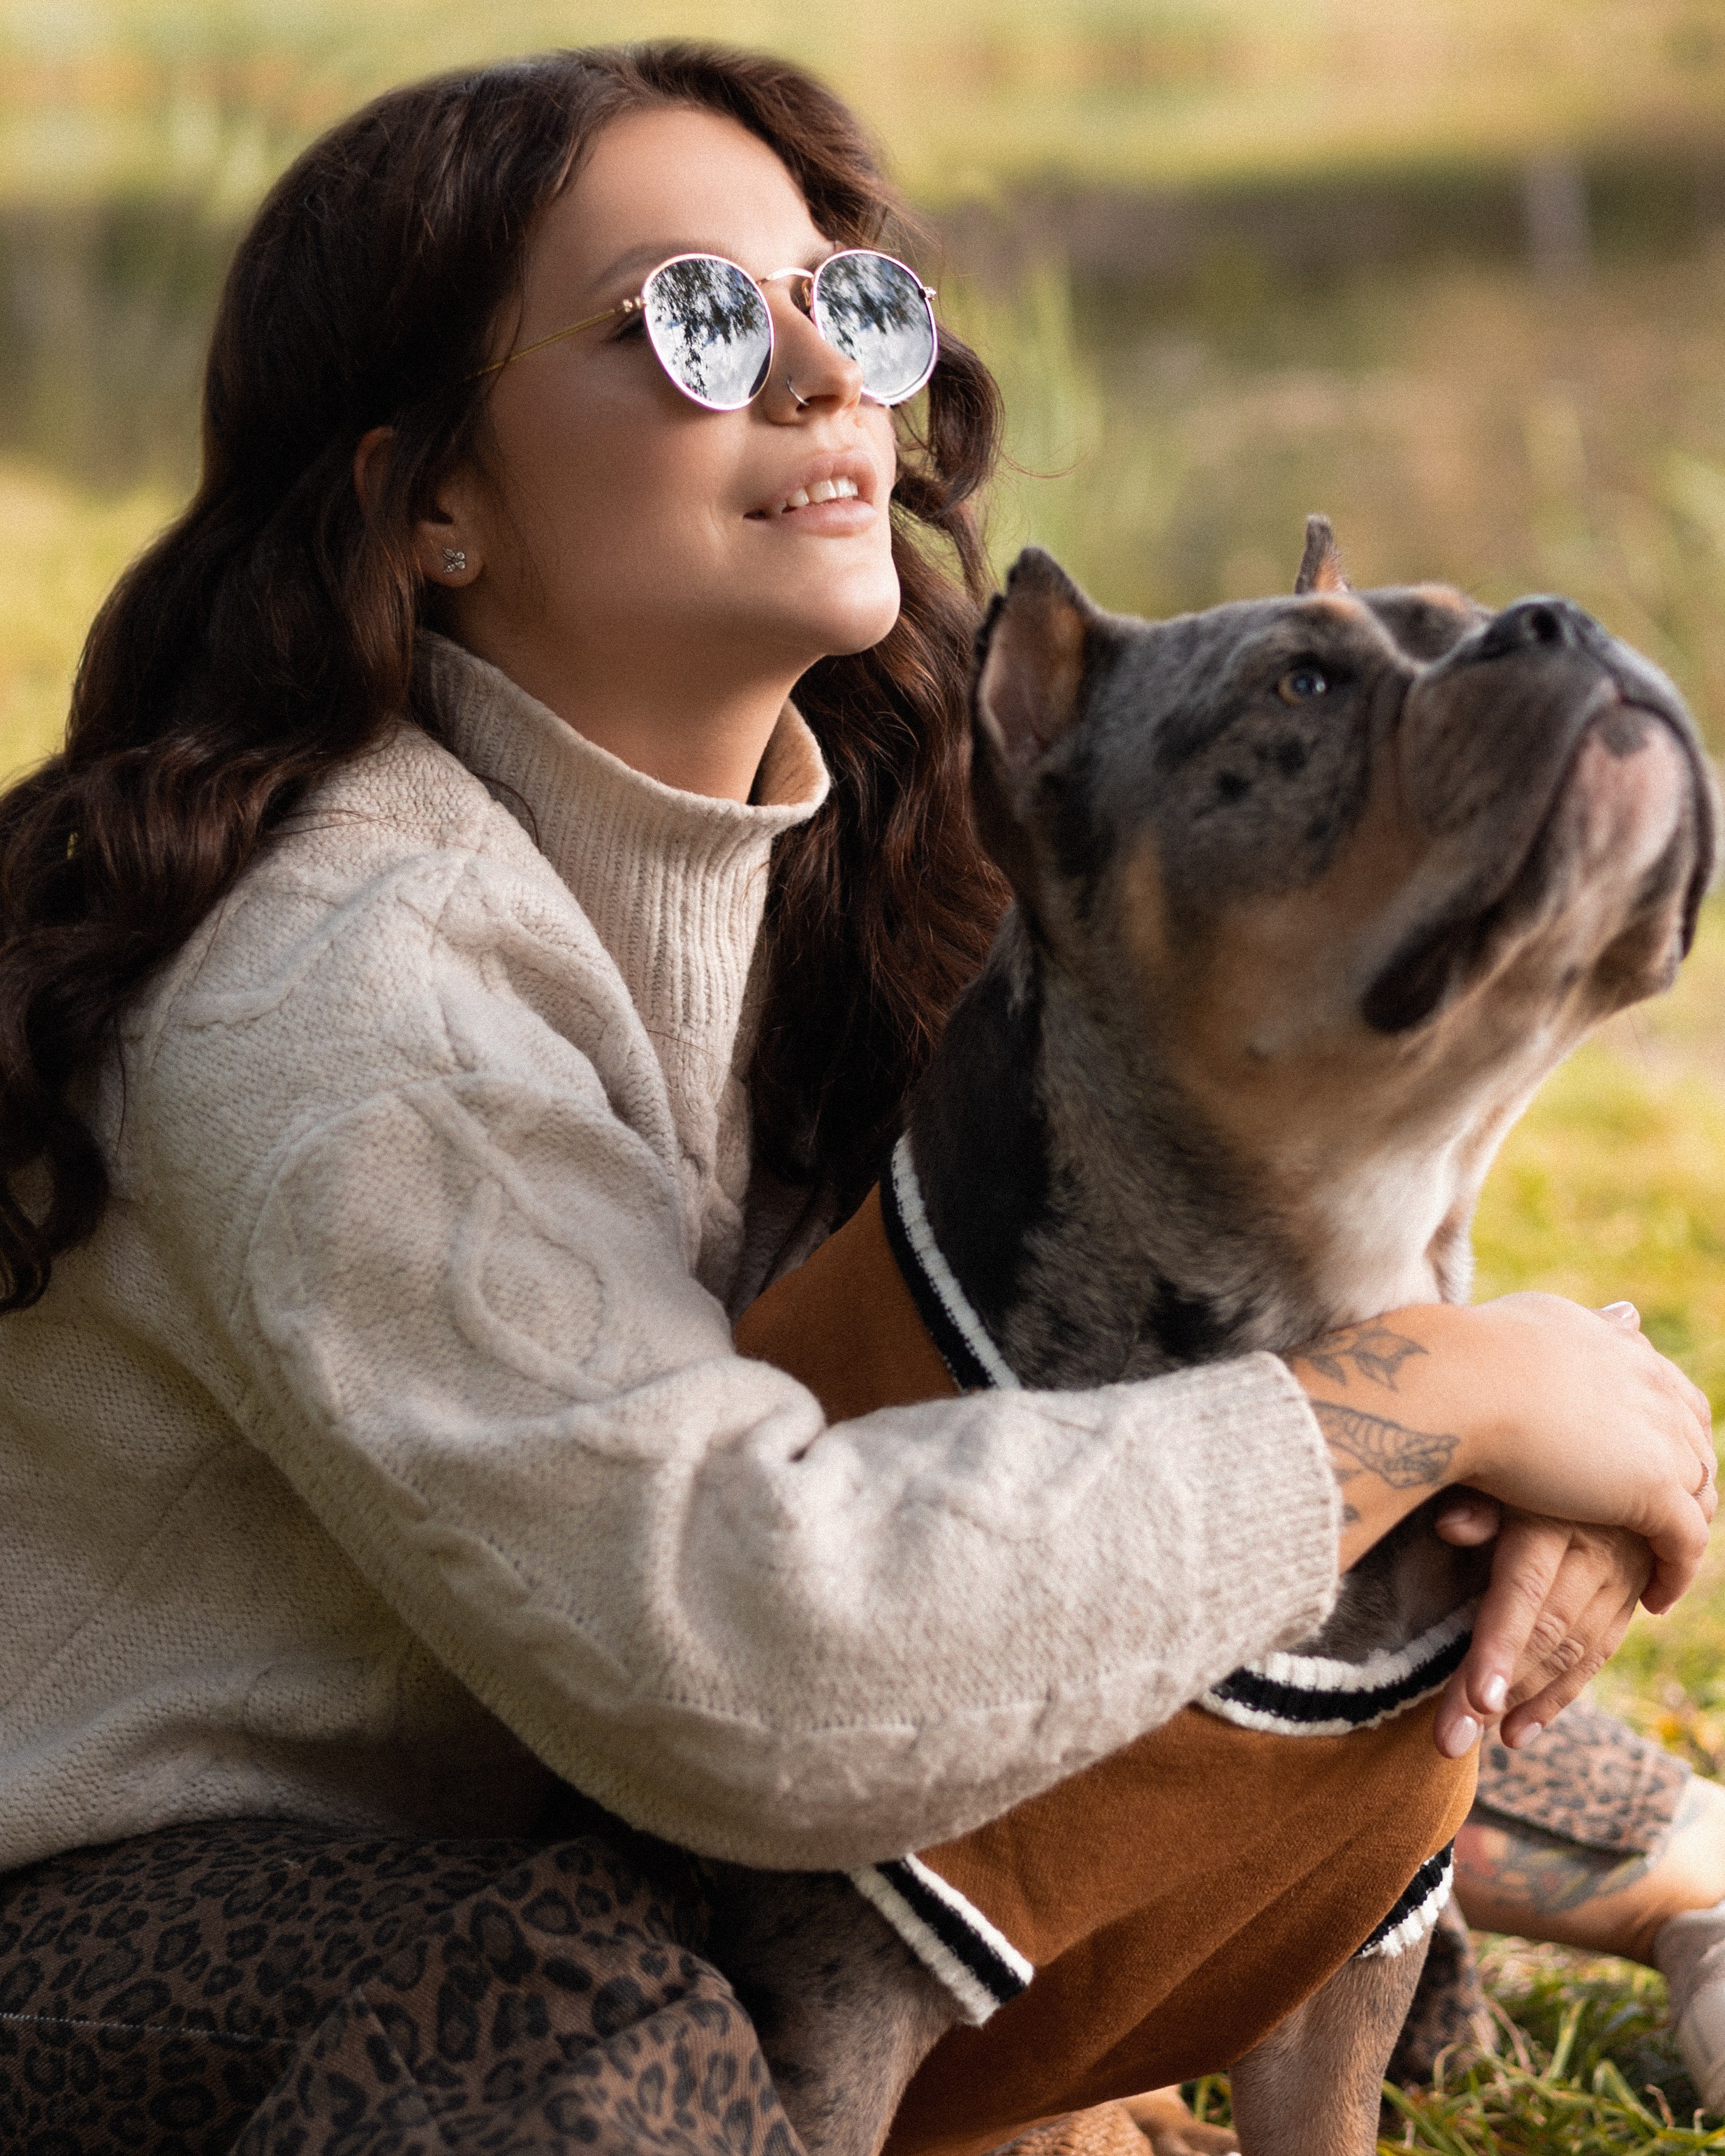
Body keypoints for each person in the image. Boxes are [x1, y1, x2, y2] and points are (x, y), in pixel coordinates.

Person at [0, 44, 1712, 2155]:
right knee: (600, 2014)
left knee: (1259, 1629)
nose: (823, 373)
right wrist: (1427, 1399)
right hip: (114, 1915)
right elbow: (753, 1654)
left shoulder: (854, 864)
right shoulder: (351, 980)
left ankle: (1685, 1881)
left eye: (851, 298)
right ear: (422, 500)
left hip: (636, 1807)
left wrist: (1541, 1461)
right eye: (699, 319)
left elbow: (1159, 1351)